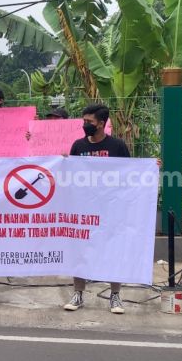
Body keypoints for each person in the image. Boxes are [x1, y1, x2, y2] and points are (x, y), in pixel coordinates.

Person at [65, 104, 129, 314]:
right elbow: (69, 176)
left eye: (89, 122)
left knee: (113, 250)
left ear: (102, 123)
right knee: (80, 251)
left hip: (110, 209)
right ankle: (78, 294)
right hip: (83, 210)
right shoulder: (78, 146)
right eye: (84, 121)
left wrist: (151, 166)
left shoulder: (117, 147)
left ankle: (115, 295)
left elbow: (131, 174)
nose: (85, 125)